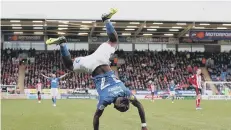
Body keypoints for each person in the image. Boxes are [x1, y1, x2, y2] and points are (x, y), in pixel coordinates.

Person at [45, 8, 148, 130]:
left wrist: (144, 125)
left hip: (102, 58)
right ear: (115, 105)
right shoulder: (105, 100)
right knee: (69, 66)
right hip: (90, 65)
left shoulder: (126, 92)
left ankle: (106, 20)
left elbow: (139, 105)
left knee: (114, 41)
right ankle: (62, 44)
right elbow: (96, 117)